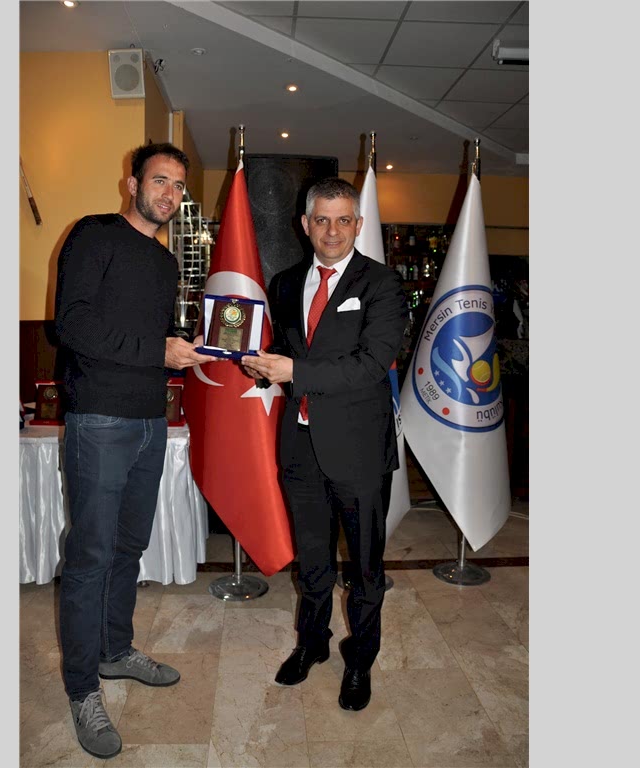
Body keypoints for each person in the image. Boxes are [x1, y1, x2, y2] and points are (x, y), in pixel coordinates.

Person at [53, 142, 220, 759]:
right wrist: (158, 351)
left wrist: (189, 350)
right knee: (90, 555)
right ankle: (82, 690)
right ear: (132, 184)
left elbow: (149, 337)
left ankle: (115, 650)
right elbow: (71, 324)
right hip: (99, 417)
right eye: (159, 181)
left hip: (151, 420)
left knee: (128, 547)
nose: (169, 195)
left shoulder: (164, 262)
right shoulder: (94, 234)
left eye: (178, 186)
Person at [242, 177, 407, 712]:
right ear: (305, 224)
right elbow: (284, 346)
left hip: (359, 450)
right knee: (312, 558)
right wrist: (255, 361)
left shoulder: (382, 283)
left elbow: (371, 363)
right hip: (300, 444)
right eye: (321, 219)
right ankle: (311, 642)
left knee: (364, 565)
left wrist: (295, 371)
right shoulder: (286, 282)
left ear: (358, 225)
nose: (332, 231)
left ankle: (360, 658)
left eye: (343, 220)